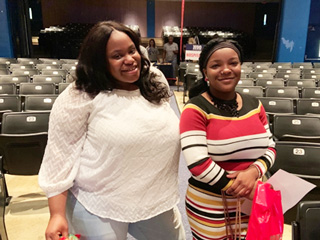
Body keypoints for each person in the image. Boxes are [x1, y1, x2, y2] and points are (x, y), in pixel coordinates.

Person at [39, 21, 185, 240]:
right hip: (100, 201)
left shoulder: (154, 80)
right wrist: (56, 214)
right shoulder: (80, 95)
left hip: (155, 197)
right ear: (99, 62)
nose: (129, 60)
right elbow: (60, 156)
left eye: (132, 50)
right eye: (117, 56)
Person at [179, 38, 276, 239]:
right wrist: (242, 189)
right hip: (210, 205)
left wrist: (253, 172)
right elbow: (198, 164)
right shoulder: (195, 109)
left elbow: (271, 147)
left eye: (233, 63)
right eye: (216, 65)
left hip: (253, 202)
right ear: (205, 72)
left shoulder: (254, 104)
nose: (226, 70)